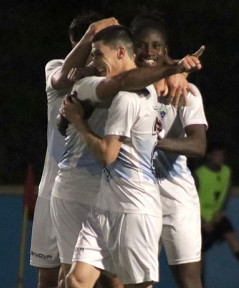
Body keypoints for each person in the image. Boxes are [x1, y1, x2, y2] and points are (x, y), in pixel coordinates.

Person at [61, 25, 202, 288]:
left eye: (97, 55)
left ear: (120, 52)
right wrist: (175, 67)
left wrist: (78, 121)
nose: (94, 62)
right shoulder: (133, 87)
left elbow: (107, 155)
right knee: (77, 280)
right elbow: (129, 76)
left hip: (134, 207)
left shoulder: (128, 97)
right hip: (105, 204)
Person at [30, 12, 116, 288]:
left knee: (106, 278)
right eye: (87, 46)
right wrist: (91, 33)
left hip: (94, 191)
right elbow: (61, 79)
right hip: (52, 190)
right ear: (75, 44)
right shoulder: (56, 68)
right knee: (48, 279)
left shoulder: (110, 80)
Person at [130, 11, 206, 288]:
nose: (148, 52)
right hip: (135, 192)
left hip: (176, 194)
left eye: (156, 46)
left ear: (165, 51)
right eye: (141, 45)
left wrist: (153, 142)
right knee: (138, 282)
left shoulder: (186, 92)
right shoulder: (125, 87)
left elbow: (198, 145)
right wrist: (176, 68)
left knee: (189, 282)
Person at [194, 143, 239, 280]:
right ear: (209, 156)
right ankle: (199, 282)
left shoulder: (226, 171)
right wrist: (202, 220)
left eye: (222, 155)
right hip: (199, 219)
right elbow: (191, 200)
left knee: (230, 232)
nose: (219, 158)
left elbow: (224, 195)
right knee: (198, 251)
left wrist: (219, 211)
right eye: (216, 155)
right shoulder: (199, 174)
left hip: (215, 217)